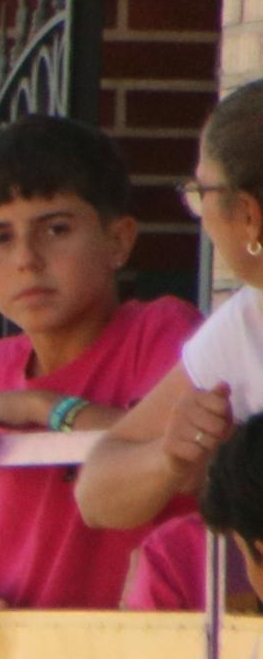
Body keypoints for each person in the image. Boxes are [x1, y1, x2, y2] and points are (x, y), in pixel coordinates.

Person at [0, 116, 200, 659]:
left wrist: (44, 408)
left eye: (56, 229)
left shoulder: (162, 333)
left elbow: (182, 446)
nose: (27, 258)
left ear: (119, 240)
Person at [82, 77, 263, 537]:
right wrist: (168, 457)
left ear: (248, 215)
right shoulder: (246, 323)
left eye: (201, 192)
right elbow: (97, 492)